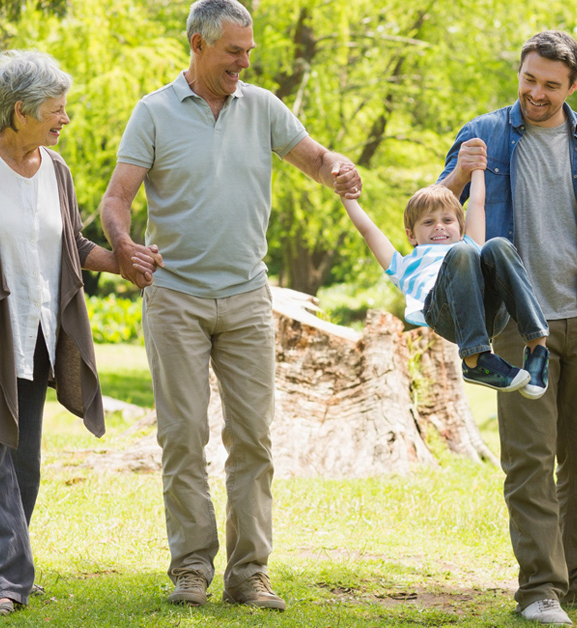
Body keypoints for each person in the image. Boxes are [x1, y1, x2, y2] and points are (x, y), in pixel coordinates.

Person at [98, 0, 360, 612]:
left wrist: (338, 170)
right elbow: (118, 199)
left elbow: (315, 159)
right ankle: (191, 568)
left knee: (253, 440)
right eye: (233, 52)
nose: (245, 62)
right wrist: (125, 246)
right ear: (197, 44)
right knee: (183, 437)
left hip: (245, 296)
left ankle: (249, 574)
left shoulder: (262, 107)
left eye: (249, 51)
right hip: (176, 298)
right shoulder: (154, 112)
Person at [0, 50, 156, 616]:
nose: (64, 120)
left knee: (23, 465)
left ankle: (7, 568)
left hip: (37, 332)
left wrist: (122, 261)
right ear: (20, 110)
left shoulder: (57, 170)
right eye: (56, 109)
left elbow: (71, 246)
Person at [438, 30, 577, 626]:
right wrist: (459, 174)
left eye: (551, 85)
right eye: (529, 79)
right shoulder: (484, 134)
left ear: (573, 86)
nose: (536, 92)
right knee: (530, 459)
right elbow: (434, 217)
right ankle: (538, 588)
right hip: (514, 322)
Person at [341, 167, 550, 397]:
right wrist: (347, 197)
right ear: (411, 236)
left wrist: (478, 168)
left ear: (460, 228)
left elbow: (478, 203)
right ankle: (474, 361)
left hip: (490, 312)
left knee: (497, 245)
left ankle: (537, 346)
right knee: (462, 253)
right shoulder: (405, 265)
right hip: (447, 316)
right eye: (428, 222)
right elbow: (368, 230)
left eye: (447, 220)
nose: (439, 226)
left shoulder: (469, 242)